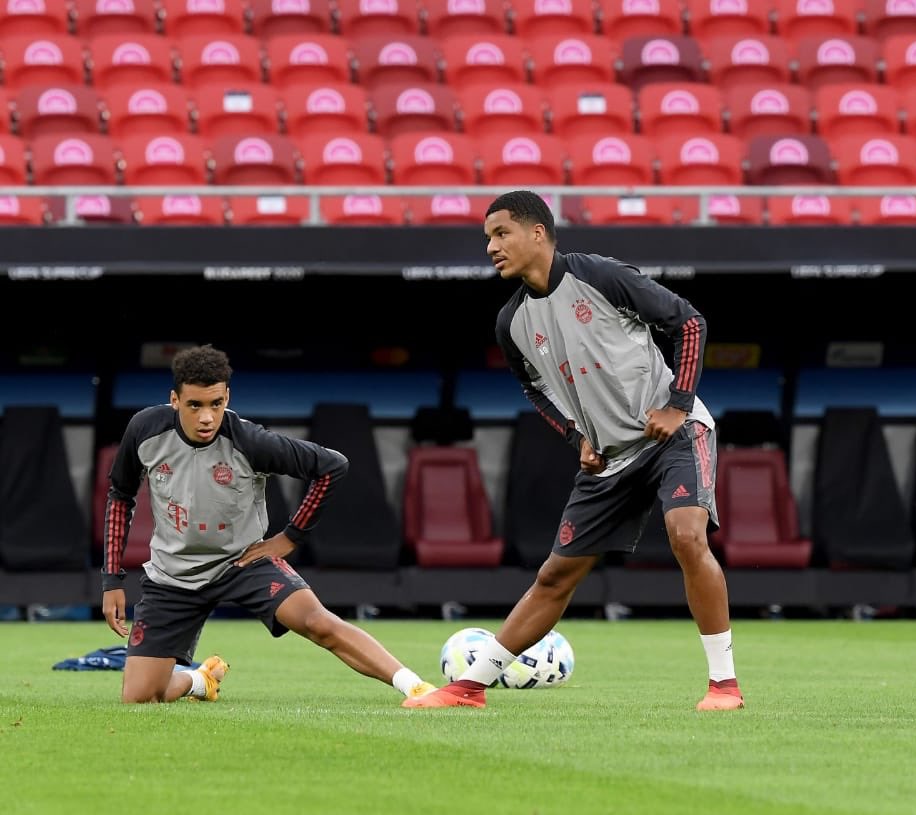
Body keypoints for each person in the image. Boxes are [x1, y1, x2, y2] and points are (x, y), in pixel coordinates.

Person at [406, 190, 742, 711]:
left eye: (501, 234)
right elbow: (534, 389)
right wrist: (574, 435)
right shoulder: (510, 323)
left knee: (685, 535)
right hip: (609, 457)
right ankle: (469, 688)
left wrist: (678, 404)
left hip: (673, 434)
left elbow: (689, 322)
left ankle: (724, 686)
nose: (492, 248)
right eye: (487, 239)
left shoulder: (600, 275)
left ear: (537, 233)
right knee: (555, 575)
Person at [101, 345, 436, 705]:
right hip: (173, 575)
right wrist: (112, 580)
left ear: (227, 396)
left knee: (317, 623)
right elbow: (120, 497)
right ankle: (199, 681)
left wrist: (290, 537)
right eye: (194, 405)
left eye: (216, 404)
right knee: (139, 699)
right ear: (174, 400)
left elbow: (332, 466)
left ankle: (417, 688)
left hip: (243, 562)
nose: (206, 418)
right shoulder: (144, 430)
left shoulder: (250, 441)